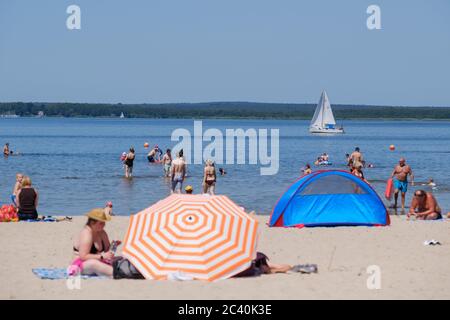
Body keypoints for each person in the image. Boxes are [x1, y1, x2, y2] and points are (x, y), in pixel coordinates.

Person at [69, 208, 116, 277]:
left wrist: (114, 246)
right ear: (92, 223)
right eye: (101, 223)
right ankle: (116, 273)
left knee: (120, 258)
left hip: (98, 260)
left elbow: (107, 251)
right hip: (79, 265)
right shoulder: (86, 233)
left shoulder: (102, 232)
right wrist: (103, 256)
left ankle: (120, 271)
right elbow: (83, 256)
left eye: (104, 222)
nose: (104, 225)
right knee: (94, 264)